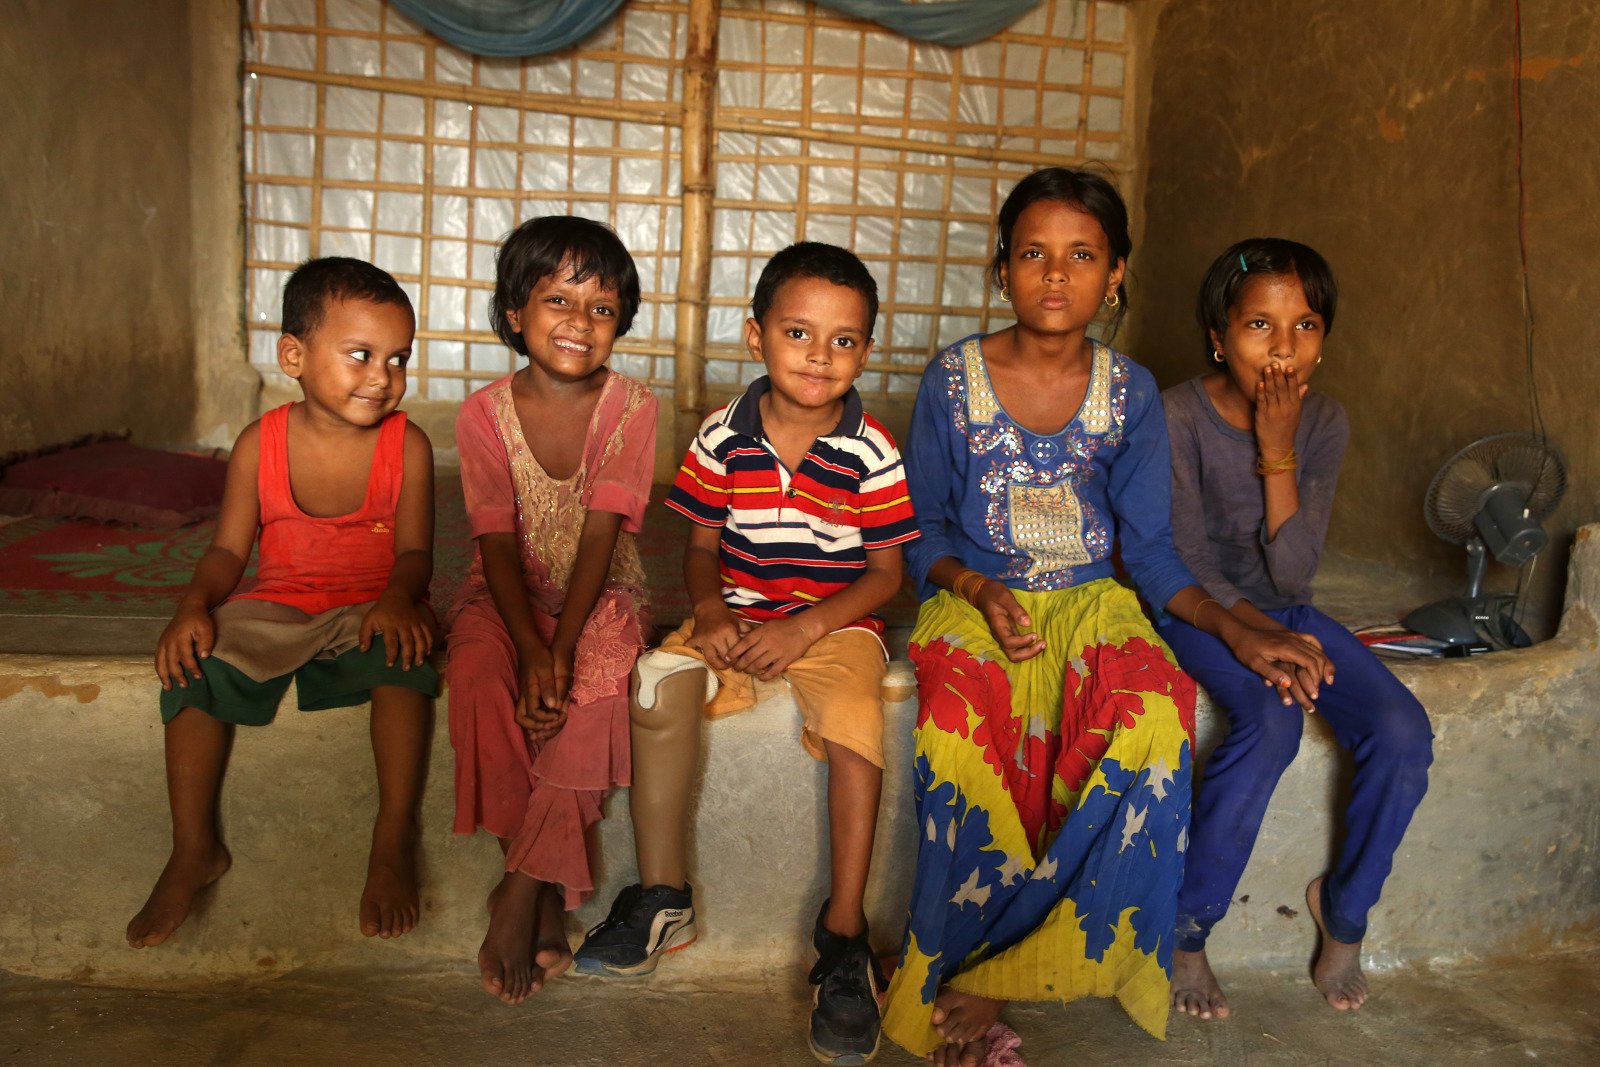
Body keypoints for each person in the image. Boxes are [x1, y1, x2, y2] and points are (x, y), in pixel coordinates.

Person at [883, 169, 1333, 1066]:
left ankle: (1021, 959)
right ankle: (967, 957)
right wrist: (975, 590)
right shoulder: (952, 379)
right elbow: (918, 532)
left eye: (1082, 255)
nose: (1056, 274)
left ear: (1116, 273)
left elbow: (1153, 552)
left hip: (1094, 599)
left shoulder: (1130, 392)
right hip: (976, 596)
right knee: (958, 724)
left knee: (1152, 718)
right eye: (1034, 254)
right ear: (1001, 269)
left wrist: (1239, 628)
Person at [573, 242, 918, 1065]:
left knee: (857, 727)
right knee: (657, 681)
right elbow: (699, 548)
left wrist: (804, 630)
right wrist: (706, 607)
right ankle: (663, 894)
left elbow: (885, 575)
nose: (820, 356)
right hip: (737, 614)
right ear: (755, 334)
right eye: (799, 333)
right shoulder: (721, 436)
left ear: (865, 350)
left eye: (844, 340)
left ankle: (842, 939)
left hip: (835, 627)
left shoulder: (873, 452)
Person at [128, 257, 438, 949]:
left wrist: (396, 598)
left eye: (397, 358)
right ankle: (193, 848)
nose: (382, 376)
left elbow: (416, 553)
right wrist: (192, 607)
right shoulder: (257, 444)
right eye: (361, 355)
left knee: (404, 654)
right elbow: (227, 553)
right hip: (280, 606)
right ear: (293, 355)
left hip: (371, 606)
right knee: (196, 665)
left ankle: (391, 842)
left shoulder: (406, 445)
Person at [1159, 238, 1433, 1019]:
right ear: (1218, 335)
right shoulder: (1176, 415)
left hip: (1286, 611)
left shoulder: (1324, 423)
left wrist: (1277, 449)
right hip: (1194, 609)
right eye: (1258, 327)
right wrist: (1252, 636)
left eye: (1306, 325)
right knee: (1273, 721)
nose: (1284, 350)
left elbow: (1292, 575)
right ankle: (1186, 928)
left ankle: (1343, 912)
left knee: (1402, 729)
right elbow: (1179, 562)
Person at [447, 216, 658, 1006]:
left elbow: (602, 532)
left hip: (600, 595)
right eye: (558, 300)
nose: (579, 322)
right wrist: (528, 649)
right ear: (514, 313)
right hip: (502, 589)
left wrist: (560, 650)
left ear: (621, 324)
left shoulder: (632, 406)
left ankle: (517, 893)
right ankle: (538, 896)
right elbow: (494, 537)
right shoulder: (481, 415)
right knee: (475, 673)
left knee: (596, 688)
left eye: (601, 308)